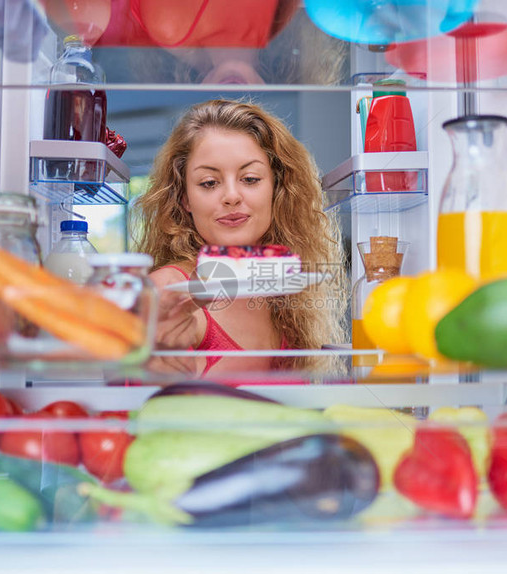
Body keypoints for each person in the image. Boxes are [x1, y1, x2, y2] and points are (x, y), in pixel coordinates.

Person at [133, 99, 347, 375]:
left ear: (276, 188)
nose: (232, 196)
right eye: (209, 183)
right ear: (185, 198)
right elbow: (147, 405)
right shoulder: (169, 289)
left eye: (250, 179)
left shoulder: (285, 293)